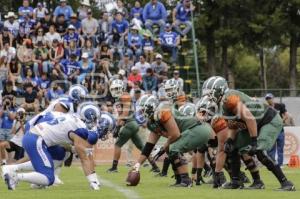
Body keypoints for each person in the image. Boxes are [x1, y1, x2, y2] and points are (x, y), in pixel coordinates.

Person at [202, 76, 295, 191]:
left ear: (219, 90)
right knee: (232, 147)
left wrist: (254, 141)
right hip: (254, 124)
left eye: (210, 93)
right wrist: (230, 139)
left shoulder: (229, 98)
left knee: (260, 150)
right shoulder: (223, 104)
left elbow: (249, 118)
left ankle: (286, 183)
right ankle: (238, 182)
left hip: (268, 120)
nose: (208, 97)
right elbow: (234, 125)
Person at [1, 108, 101, 190]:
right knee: (49, 178)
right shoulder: (81, 130)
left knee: (58, 156)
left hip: (35, 136)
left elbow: (60, 137)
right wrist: (93, 181)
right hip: (36, 139)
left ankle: (12, 169)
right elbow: (83, 158)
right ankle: (15, 177)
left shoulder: (73, 119)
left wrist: (72, 148)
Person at [131, 94, 215, 187]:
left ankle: (186, 181)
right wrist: (137, 166)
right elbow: (148, 147)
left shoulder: (163, 113)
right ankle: (179, 179)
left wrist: (163, 147)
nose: (141, 112)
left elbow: (175, 134)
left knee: (173, 148)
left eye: (143, 109)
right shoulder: (153, 122)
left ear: (151, 107)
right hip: (194, 130)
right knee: (170, 149)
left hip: (199, 129)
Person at [107, 80, 160, 173]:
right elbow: (121, 114)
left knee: (117, 144)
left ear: (121, 88)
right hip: (131, 124)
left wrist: (118, 127)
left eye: (116, 89)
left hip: (130, 123)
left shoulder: (125, 96)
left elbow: (125, 112)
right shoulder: (120, 98)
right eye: (113, 89)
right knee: (142, 147)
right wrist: (118, 124)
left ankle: (114, 167)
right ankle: (155, 166)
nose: (115, 91)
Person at [265, 93, 294, 167]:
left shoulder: (280, 106)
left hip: (280, 130)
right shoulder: (265, 107)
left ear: (273, 98)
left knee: (280, 149)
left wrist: (281, 121)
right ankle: (272, 164)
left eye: (270, 98)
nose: (268, 100)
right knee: (271, 149)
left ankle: (280, 164)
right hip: (271, 131)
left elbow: (286, 115)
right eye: (267, 99)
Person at [0, 94, 16, 165]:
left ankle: (10, 162)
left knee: (10, 147)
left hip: (10, 130)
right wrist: (3, 107)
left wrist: (7, 109)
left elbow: (12, 118)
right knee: (1, 145)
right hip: (2, 129)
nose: (7, 103)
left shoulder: (14, 109)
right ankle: (3, 161)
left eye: (9, 101)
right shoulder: (2, 108)